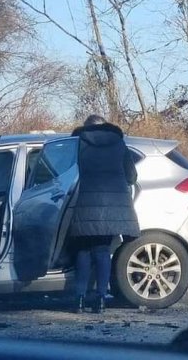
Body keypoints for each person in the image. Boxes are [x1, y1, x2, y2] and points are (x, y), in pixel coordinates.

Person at [69, 114, 139, 313]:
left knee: (82, 251)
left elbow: (66, 173)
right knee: (102, 251)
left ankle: (79, 299)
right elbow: (132, 177)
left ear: (86, 128)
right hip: (112, 208)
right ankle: (100, 299)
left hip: (85, 204)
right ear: (106, 126)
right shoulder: (119, 144)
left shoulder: (77, 144)